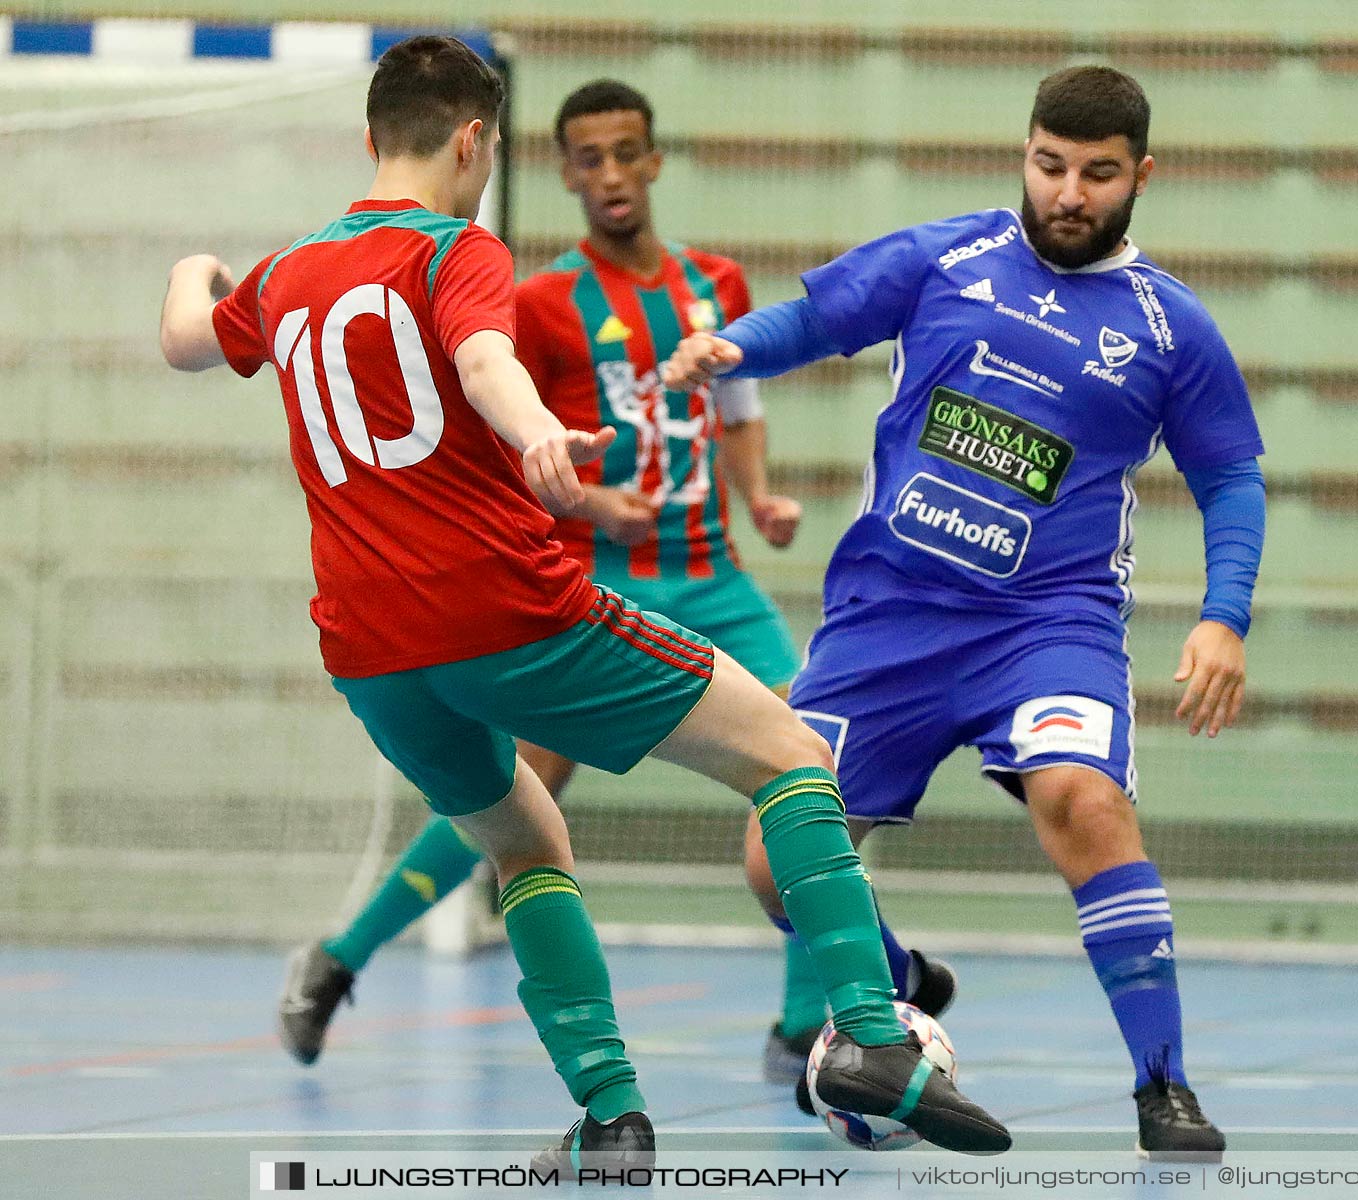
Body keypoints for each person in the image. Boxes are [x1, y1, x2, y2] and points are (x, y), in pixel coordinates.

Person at [157, 35, 1009, 1162]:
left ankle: (610, 1117)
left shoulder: (284, 277)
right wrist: (540, 439)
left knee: (525, 839)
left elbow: (182, 343)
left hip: (369, 653)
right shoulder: (457, 251)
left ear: (370, 139)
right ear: (475, 144)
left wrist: (197, 270)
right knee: (795, 759)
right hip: (506, 614)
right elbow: (480, 364)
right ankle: (864, 1035)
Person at [663, 64, 1265, 1161]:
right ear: (1023, 156)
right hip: (888, 614)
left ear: (1139, 177)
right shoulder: (946, 256)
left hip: (1047, 622)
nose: (1067, 193)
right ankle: (899, 986)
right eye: (1048, 166)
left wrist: (1223, 614)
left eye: (1095, 174)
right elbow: (817, 317)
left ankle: (1162, 1087)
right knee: (770, 854)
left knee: (1082, 803)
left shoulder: (1167, 326)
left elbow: (1230, 478)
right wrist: (733, 347)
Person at [274, 77, 824, 1079]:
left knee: (803, 762)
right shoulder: (532, 298)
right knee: (511, 808)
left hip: (714, 577)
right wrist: (577, 503)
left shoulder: (718, 284)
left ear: (653, 160)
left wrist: (760, 496)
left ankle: (800, 1029)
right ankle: (341, 959)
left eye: (626, 153)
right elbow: (470, 413)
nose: (609, 174)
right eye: (587, 158)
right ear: (563, 172)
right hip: (589, 584)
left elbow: (736, 408)